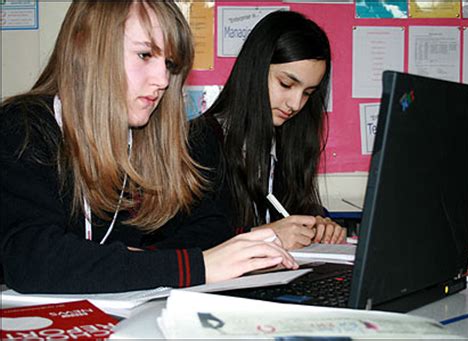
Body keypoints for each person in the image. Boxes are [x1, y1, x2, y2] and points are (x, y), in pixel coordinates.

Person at [0, 0, 298, 294]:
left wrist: (247, 244)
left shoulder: (141, 143)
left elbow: (203, 226)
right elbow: (31, 260)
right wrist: (199, 267)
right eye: (144, 55)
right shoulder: (23, 128)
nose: (163, 80)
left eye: (169, 64)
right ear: (86, 45)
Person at [203, 11, 347, 250]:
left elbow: (293, 210)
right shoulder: (200, 142)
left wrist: (317, 225)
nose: (295, 104)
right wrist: (266, 235)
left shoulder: (286, 141)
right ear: (255, 70)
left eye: (308, 93)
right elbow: (189, 242)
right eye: (286, 84)